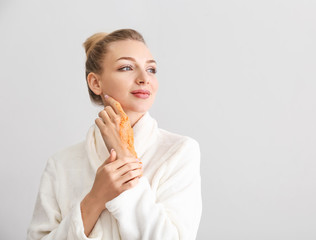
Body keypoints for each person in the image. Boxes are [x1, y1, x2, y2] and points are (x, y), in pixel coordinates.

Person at [27, 29, 202, 240]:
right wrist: (96, 197)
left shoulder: (179, 152)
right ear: (95, 83)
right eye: (126, 67)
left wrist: (124, 154)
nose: (144, 78)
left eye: (151, 69)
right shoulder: (61, 164)